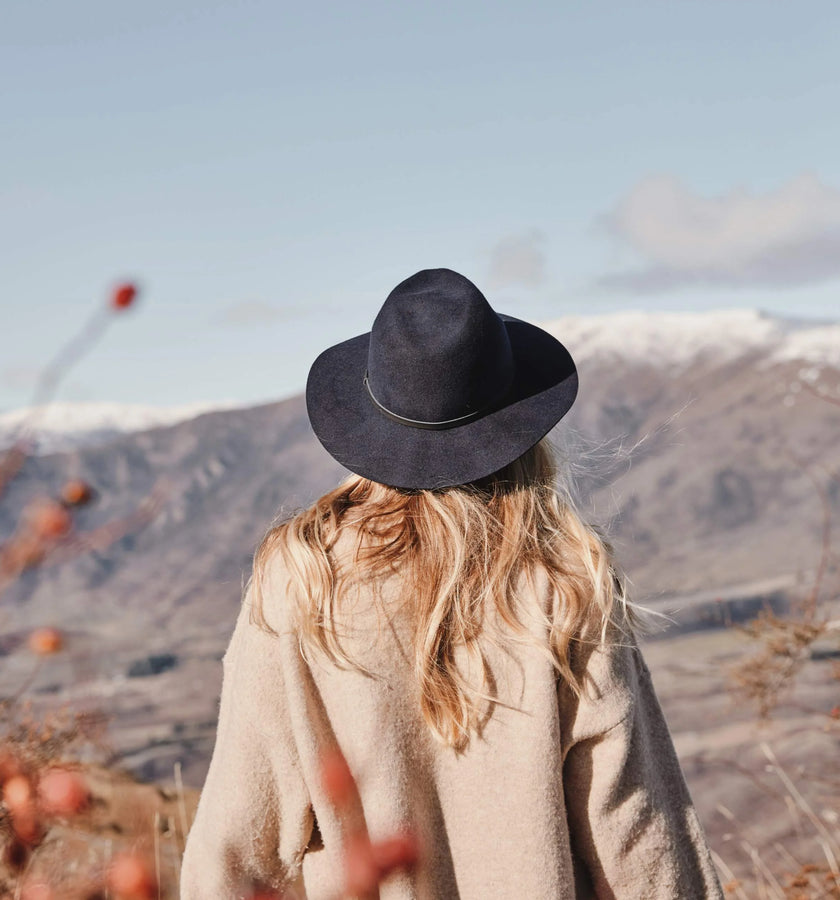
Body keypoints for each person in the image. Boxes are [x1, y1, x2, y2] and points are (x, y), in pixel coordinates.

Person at [180, 268, 725, 899]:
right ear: (520, 429)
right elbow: (635, 830)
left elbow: (237, 838)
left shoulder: (303, 580)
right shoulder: (565, 584)